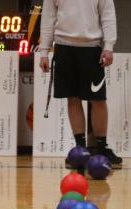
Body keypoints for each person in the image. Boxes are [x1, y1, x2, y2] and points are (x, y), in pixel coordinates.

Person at [39, 0, 123, 167]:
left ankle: (101, 147)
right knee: (73, 98)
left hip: (92, 48)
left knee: (98, 100)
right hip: (64, 48)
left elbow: (108, 16)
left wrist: (109, 46)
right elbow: (48, 18)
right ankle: (80, 147)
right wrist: (44, 51)